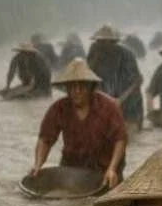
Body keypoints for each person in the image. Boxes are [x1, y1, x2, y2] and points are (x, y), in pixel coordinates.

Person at [31, 58, 127, 188]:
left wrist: (112, 168)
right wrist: (38, 165)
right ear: (67, 88)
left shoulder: (109, 107)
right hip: (72, 169)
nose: (77, 91)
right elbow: (45, 139)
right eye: (72, 86)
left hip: (103, 169)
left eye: (82, 86)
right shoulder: (59, 108)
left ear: (91, 86)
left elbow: (120, 140)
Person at [87, 24, 144, 130]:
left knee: (129, 131)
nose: (105, 45)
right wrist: (96, 59)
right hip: (104, 98)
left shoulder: (127, 55)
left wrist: (119, 100)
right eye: (101, 42)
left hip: (127, 99)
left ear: (114, 42)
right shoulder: (94, 51)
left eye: (108, 42)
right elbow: (87, 78)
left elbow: (136, 82)